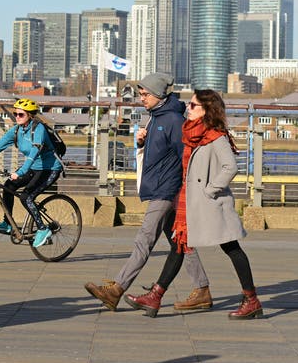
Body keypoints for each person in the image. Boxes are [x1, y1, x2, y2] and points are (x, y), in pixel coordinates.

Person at [125, 89, 262, 320]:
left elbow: (230, 167)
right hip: (189, 201)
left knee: (232, 248)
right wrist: (142, 142)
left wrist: (210, 189)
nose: (188, 108)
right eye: (189, 104)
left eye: (193, 105)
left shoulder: (216, 136)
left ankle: (252, 300)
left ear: (207, 110)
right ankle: (155, 296)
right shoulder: (189, 132)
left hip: (211, 203)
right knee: (179, 246)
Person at [85, 73, 211, 313]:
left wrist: (184, 191)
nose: (141, 98)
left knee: (144, 239)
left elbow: (186, 156)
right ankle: (202, 288)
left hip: (167, 190)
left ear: (159, 95)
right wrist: (141, 143)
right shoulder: (156, 117)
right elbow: (160, 152)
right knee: (180, 241)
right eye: (140, 94)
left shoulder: (173, 120)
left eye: (145, 94)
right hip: (161, 188)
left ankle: (117, 289)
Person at [0, 98, 62, 248]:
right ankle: (8, 223)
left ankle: (43, 229)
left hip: (50, 169)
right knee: (9, 186)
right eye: (15, 114)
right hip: (33, 168)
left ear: (30, 115)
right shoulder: (17, 130)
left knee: (26, 197)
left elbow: (34, 152)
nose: (17, 117)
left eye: (21, 114)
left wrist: (21, 171)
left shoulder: (39, 129)